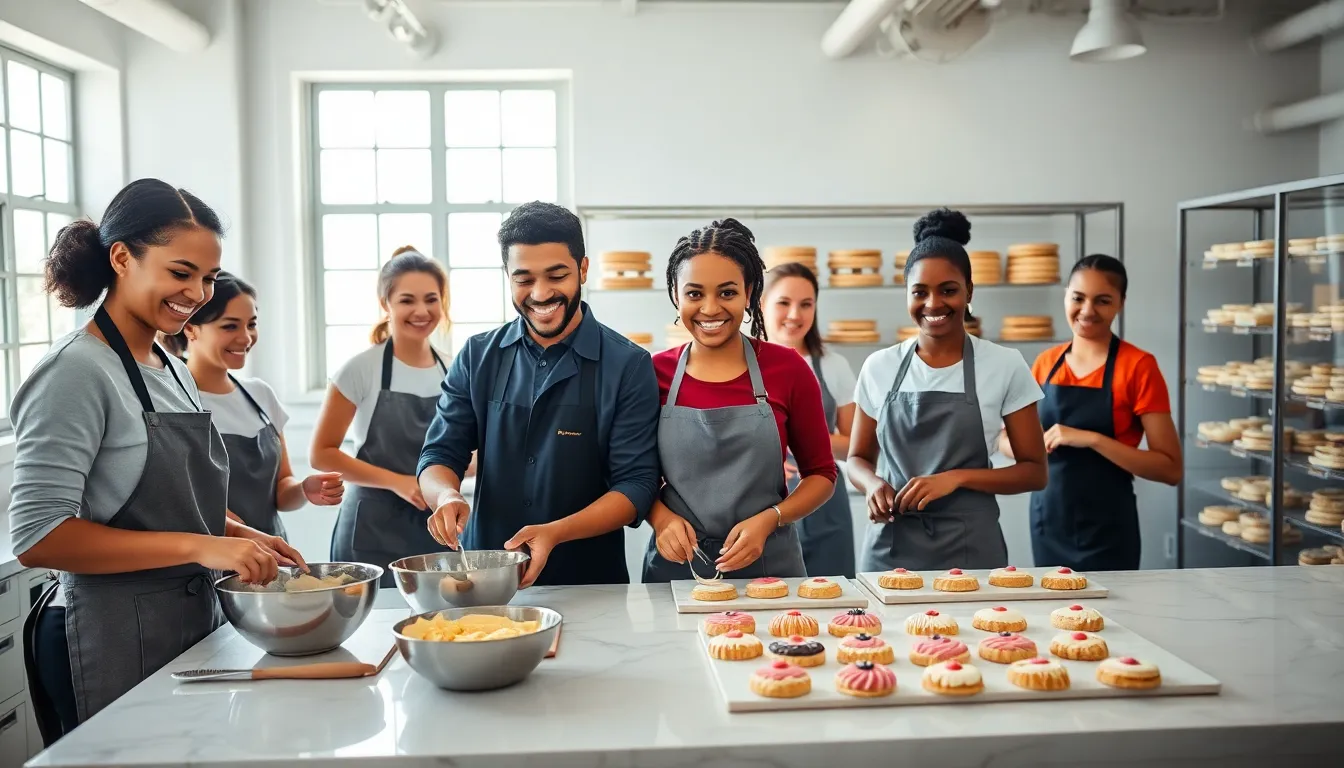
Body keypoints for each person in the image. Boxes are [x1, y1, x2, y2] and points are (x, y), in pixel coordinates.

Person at [9, 179, 306, 732]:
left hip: (186, 624)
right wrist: (202, 545)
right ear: (122, 258)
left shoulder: (168, 367)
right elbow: (39, 536)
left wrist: (236, 536)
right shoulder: (76, 372)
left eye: (209, 277)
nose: (197, 292)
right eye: (180, 272)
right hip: (108, 634)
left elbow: (149, 502)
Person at [419, 202, 661, 587]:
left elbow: (636, 484)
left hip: (591, 584)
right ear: (507, 276)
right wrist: (445, 495)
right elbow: (439, 454)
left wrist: (557, 531)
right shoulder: (478, 356)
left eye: (556, 275)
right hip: (486, 579)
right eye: (524, 279)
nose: (541, 293)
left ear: (582, 269)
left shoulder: (627, 365)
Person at [846, 208, 1047, 572]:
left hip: (972, 549)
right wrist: (873, 484)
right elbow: (857, 459)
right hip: (891, 547)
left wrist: (956, 478)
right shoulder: (880, 366)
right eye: (919, 292)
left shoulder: (1004, 365)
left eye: (948, 290)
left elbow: (1034, 471)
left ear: (969, 291)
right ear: (906, 295)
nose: (933, 304)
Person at [641, 219, 838, 582]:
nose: (710, 308)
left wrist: (770, 519)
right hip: (677, 568)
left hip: (770, 568)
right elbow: (634, 475)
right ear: (675, 294)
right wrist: (661, 518)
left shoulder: (787, 369)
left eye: (727, 293)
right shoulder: (652, 373)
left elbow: (822, 475)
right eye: (695, 293)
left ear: (749, 293)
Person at [1000, 254, 1181, 571]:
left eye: (1103, 301)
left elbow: (1169, 469)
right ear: (1066, 296)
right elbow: (1004, 438)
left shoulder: (1139, 367)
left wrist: (1093, 440)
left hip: (1109, 530)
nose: (1087, 311)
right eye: (1078, 298)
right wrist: (1032, 445)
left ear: (1120, 304)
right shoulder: (1046, 363)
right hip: (1048, 523)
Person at [164, 272, 345, 539]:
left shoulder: (260, 394)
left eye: (251, 324)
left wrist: (305, 490)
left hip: (273, 555)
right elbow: (176, 502)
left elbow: (282, 491)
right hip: (210, 560)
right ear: (190, 328)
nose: (246, 338)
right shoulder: (170, 401)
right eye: (230, 326)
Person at [311, 247, 449, 586]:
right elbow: (321, 453)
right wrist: (399, 482)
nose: (421, 310)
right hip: (371, 528)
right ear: (385, 303)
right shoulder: (361, 368)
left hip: (433, 526)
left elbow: (462, 451)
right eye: (407, 300)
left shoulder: (453, 367)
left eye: (431, 299)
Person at [763, 262, 859, 578]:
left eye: (806, 304)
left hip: (825, 505)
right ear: (761, 304)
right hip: (761, 505)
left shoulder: (833, 365)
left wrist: (802, 442)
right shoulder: (739, 364)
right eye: (784, 303)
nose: (795, 315)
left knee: (831, 601)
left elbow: (854, 448)